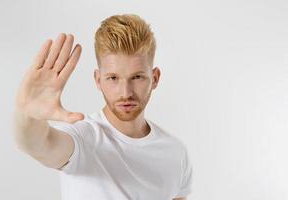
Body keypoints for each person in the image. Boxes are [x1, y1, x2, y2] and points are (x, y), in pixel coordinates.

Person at [13, 14, 193, 200]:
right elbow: (38, 144)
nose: (126, 92)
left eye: (137, 77)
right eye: (113, 78)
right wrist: (27, 116)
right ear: (98, 80)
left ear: (154, 78)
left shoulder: (176, 152)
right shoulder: (83, 138)